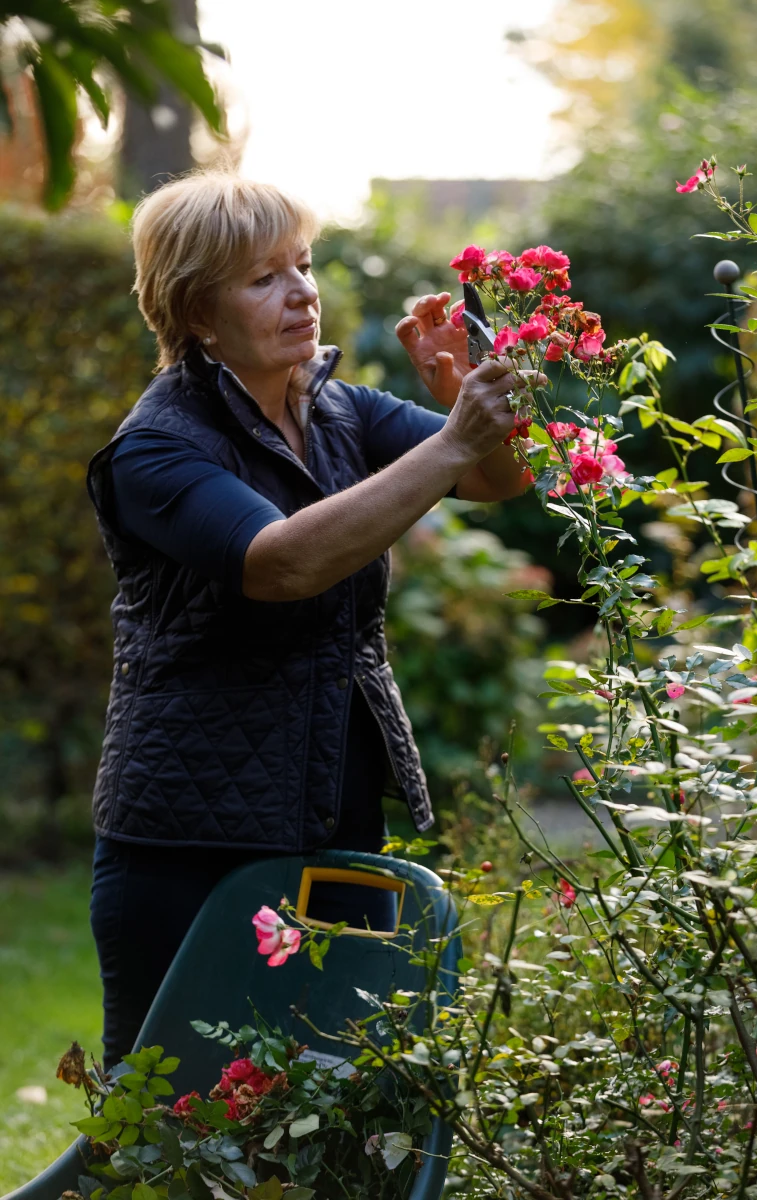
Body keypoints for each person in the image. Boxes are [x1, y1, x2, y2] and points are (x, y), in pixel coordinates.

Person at [86, 171, 539, 1068]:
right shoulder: (155, 449)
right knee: (178, 1115)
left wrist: (472, 405)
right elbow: (281, 562)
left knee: (334, 1100)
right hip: (189, 836)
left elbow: (496, 481)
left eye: (303, 265)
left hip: (332, 819)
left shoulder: (339, 408)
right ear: (195, 312)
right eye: (263, 277)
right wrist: (452, 440)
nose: (301, 293)